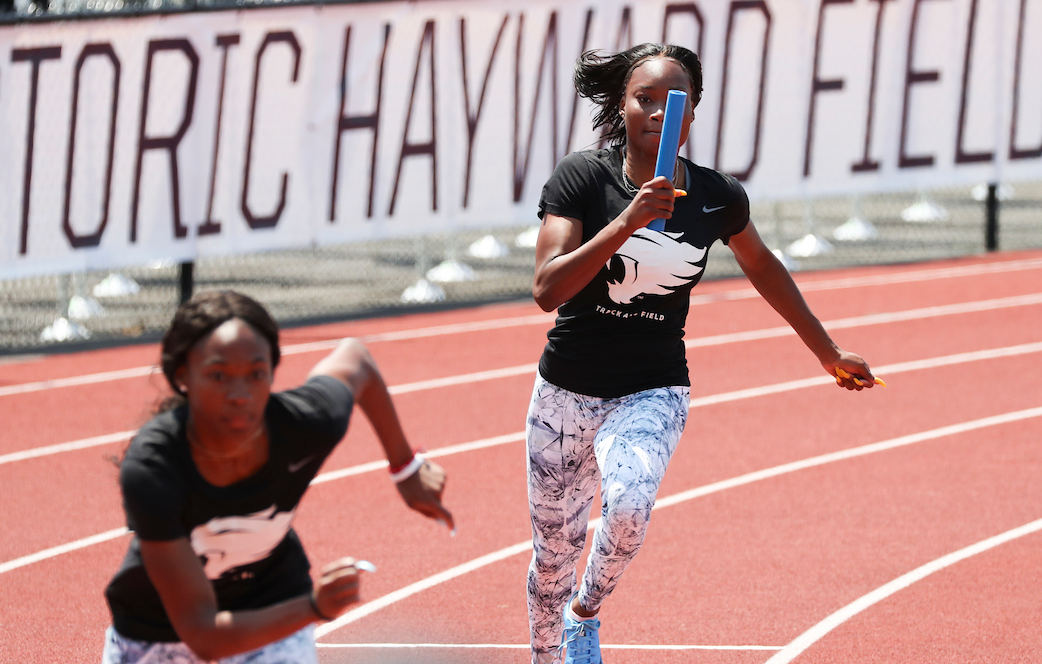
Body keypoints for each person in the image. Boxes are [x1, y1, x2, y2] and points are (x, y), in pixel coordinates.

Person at [525, 43, 878, 664]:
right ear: (623, 106)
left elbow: (762, 265)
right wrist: (627, 223)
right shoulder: (582, 177)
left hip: (653, 386)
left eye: (674, 102)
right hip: (565, 393)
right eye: (644, 99)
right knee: (553, 555)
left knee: (629, 506)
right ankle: (544, 655)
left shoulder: (717, 197)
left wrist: (826, 351)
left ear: (693, 113)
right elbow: (547, 289)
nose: (658, 113)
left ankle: (585, 614)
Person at [103, 290, 454, 664]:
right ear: (182, 375)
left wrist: (405, 468)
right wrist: (314, 607)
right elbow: (204, 634)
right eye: (218, 375)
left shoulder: (303, 424)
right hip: (157, 633)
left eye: (256, 374)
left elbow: (356, 359)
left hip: (273, 614)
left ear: (272, 370)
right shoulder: (154, 467)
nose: (240, 395)